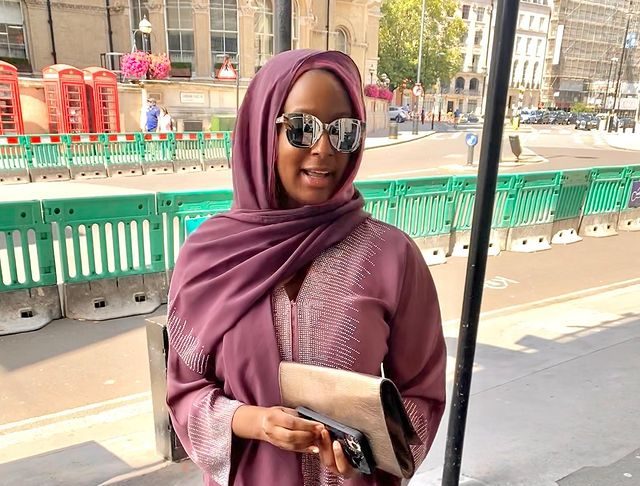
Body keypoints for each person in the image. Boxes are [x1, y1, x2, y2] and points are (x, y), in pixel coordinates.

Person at [166, 49, 446, 486]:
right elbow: (185, 391)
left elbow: (421, 394)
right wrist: (251, 420)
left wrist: (368, 457)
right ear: (264, 132)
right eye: (302, 128)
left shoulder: (391, 256)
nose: (324, 149)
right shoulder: (210, 257)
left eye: (343, 131)